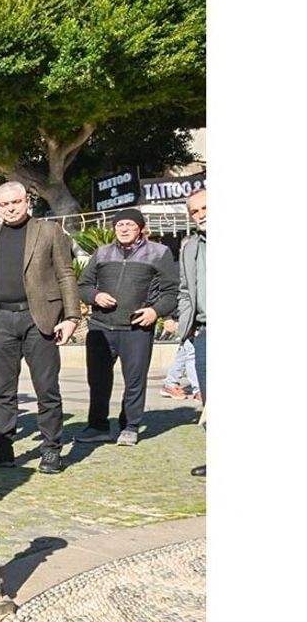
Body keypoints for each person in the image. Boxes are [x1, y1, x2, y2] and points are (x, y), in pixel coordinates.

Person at [0, 181, 81, 473]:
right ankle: (3, 447)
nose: (10, 209)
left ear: (27, 201)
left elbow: (66, 274)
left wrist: (71, 317)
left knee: (46, 388)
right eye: (4, 204)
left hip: (39, 318)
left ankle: (51, 449)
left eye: (15, 202)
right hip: (1, 319)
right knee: (1, 390)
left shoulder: (49, 231)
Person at [75, 208, 179, 446]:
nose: (123, 229)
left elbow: (171, 291)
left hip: (136, 329)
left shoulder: (159, 252)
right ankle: (97, 426)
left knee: (135, 381)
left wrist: (155, 311)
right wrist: (95, 296)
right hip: (100, 327)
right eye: (119, 225)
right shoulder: (102, 253)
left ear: (140, 228)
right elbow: (83, 285)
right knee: (98, 381)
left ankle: (130, 426)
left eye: (129, 225)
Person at [177, 189, 207, 476]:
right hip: (206, 331)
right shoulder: (190, 247)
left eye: (205, 208)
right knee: (209, 396)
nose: (201, 215)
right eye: (194, 212)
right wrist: (186, 329)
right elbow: (186, 289)